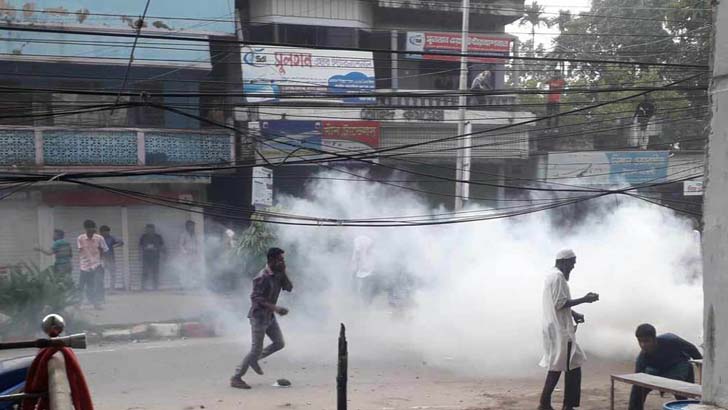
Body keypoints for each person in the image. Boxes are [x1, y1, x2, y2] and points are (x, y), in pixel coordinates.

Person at [539, 249, 600, 410]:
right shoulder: (558, 277)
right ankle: (545, 403)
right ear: (564, 262)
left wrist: (573, 313)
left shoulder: (552, 275)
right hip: (560, 330)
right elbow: (560, 303)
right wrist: (585, 299)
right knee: (557, 367)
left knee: (573, 363)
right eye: (572, 263)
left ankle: (567, 405)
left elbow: (557, 303)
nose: (573, 267)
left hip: (556, 327)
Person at [231, 247, 293, 390]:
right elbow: (256, 299)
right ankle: (236, 377)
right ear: (271, 260)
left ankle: (254, 360)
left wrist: (284, 272)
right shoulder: (262, 277)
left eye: (283, 260)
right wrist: (276, 308)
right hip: (258, 317)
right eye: (280, 260)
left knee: (279, 343)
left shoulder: (278, 274)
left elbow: (289, 288)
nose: (282, 262)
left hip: (269, 317)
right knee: (255, 349)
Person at [628, 324, 703, 410]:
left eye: (646, 341)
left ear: (654, 339)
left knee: (682, 395)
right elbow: (637, 381)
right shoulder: (642, 359)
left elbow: (693, 350)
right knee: (638, 389)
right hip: (659, 371)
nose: (643, 345)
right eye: (640, 341)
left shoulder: (671, 340)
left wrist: (704, 371)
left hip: (679, 368)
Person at [77, 220, 109, 309]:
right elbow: (81, 252)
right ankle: (78, 303)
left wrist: (103, 262)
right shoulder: (80, 238)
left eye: (93, 229)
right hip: (85, 265)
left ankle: (96, 303)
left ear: (95, 228)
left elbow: (104, 250)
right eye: (89, 229)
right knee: (81, 285)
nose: (91, 231)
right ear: (86, 229)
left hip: (97, 264)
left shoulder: (99, 238)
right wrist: (85, 263)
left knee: (96, 284)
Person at [139, 224, 165, 291]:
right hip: (146, 257)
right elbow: (140, 247)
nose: (149, 231)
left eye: (151, 229)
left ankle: (155, 287)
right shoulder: (143, 236)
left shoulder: (158, 237)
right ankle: (143, 287)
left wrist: (163, 254)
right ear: (146, 230)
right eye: (148, 229)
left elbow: (162, 246)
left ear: (154, 229)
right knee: (145, 272)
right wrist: (140, 255)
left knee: (155, 272)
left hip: (155, 257)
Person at [178, 220, 202, 289]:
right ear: (187, 226)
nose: (192, 227)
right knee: (184, 270)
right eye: (191, 225)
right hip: (186, 255)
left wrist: (198, 253)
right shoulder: (183, 234)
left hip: (194, 255)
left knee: (193, 270)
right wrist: (185, 252)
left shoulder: (195, 235)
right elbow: (180, 245)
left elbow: (198, 244)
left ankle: (191, 285)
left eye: (193, 226)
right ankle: (182, 285)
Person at [99, 225, 124, 290]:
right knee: (100, 275)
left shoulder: (111, 238)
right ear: (101, 232)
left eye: (107, 232)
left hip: (111, 259)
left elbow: (121, 242)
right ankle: (100, 288)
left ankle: (112, 289)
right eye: (105, 232)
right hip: (101, 259)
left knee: (113, 275)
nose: (106, 233)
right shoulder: (98, 239)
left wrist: (114, 246)